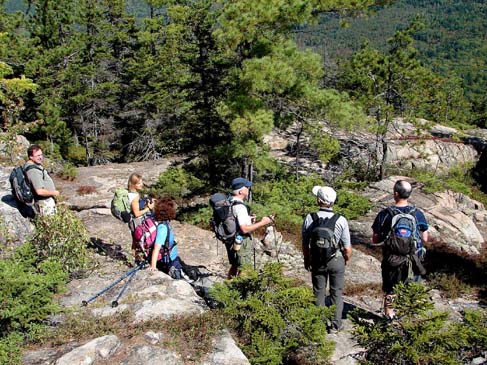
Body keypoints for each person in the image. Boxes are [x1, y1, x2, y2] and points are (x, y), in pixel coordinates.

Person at [371, 179, 429, 318]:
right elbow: (425, 238)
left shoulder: (385, 214)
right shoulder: (417, 213)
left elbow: (375, 239)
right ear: (409, 194)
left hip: (392, 260)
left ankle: (389, 317)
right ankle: (409, 320)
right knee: (412, 290)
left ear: (395, 193)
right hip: (413, 259)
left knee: (390, 290)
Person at [302, 185, 352, 333]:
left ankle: (319, 323)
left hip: (317, 260)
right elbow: (347, 248)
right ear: (333, 202)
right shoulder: (341, 220)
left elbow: (305, 243)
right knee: (336, 292)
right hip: (336, 260)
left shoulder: (310, 218)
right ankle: (336, 325)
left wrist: (307, 259)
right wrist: (345, 260)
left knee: (319, 291)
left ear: (318, 201)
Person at [226, 177, 275, 278]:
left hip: (230, 240)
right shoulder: (240, 207)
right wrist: (263, 222)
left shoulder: (229, 201)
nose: (248, 189)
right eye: (247, 187)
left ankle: (228, 289)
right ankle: (241, 291)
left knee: (235, 265)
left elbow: (234, 221)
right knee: (245, 269)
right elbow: (244, 229)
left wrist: (248, 219)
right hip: (241, 242)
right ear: (241, 191)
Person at [148, 197, 183, 279]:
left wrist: (151, 207)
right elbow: (157, 248)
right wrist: (153, 267)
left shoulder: (160, 221)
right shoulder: (163, 228)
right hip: (169, 260)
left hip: (170, 257)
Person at [23, 144, 60, 216]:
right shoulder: (33, 170)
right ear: (31, 157)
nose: (40, 157)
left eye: (41, 155)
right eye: (37, 156)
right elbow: (39, 191)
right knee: (50, 224)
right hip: (44, 203)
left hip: (45, 202)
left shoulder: (35, 165)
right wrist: (54, 193)